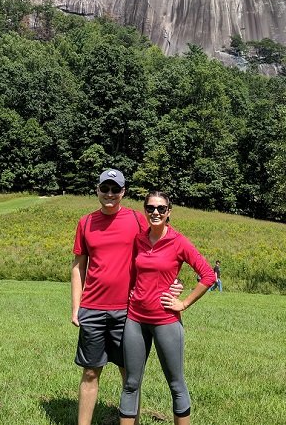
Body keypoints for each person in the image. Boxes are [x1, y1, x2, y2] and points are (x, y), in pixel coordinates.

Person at [71, 169, 181, 425]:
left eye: (115, 189)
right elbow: (78, 266)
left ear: (123, 192)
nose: (110, 194)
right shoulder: (85, 223)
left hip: (129, 312)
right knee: (90, 373)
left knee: (130, 375)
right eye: (105, 188)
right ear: (97, 190)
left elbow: (167, 247)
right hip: (92, 309)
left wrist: (174, 282)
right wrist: (76, 307)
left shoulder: (136, 219)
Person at [119, 191, 215, 425]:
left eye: (161, 208)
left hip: (166, 321)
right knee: (131, 384)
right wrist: (133, 289)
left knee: (176, 384)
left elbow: (208, 275)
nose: (155, 212)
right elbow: (133, 271)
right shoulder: (139, 239)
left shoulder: (178, 241)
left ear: (169, 212)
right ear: (145, 210)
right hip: (135, 320)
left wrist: (183, 302)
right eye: (150, 208)